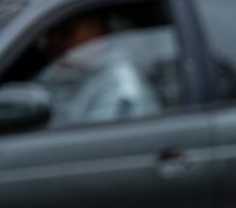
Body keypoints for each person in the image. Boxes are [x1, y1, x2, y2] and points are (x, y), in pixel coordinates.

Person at [33, 11, 161, 126]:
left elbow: (103, 141)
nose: (54, 40)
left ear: (100, 33)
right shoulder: (66, 72)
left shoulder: (119, 84)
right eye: (50, 33)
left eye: (66, 31)